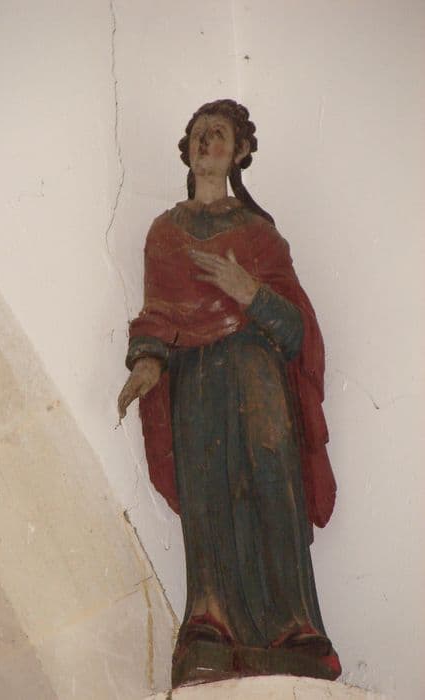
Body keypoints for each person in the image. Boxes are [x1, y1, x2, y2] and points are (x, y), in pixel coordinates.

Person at [118, 99, 341, 687]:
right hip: (196, 381)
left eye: (218, 134)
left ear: (240, 152)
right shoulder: (165, 233)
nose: (206, 143)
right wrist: (146, 362)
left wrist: (250, 292)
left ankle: (295, 626)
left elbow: (295, 331)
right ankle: (209, 621)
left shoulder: (260, 236)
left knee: (272, 483)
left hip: (257, 373)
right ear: (187, 151)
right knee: (208, 491)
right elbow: (158, 314)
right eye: (198, 134)